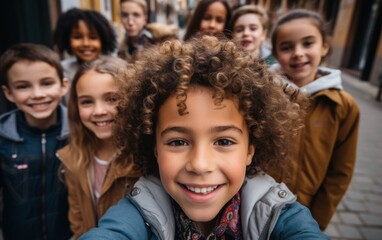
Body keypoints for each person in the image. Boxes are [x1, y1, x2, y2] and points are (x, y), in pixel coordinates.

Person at [79, 35, 329, 239]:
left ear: (250, 150)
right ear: (155, 147)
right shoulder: (138, 211)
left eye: (224, 141)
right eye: (178, 142)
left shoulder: (278, 215)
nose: (200, 164)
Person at [270, 9, 360, 230]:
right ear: (275, 52)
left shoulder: (342, 106)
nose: (298, 53)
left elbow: (340, 171)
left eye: (307, 43)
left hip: (306, 212)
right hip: (258, 207)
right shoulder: (264, 95)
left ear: (325, 46)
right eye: (287, 47)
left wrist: (316, 220)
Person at [56, 56, 141, 238]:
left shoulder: (143, 159)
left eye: (111, 99)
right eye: (87, 101)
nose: (99, 111)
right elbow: (77, 221)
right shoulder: (73, 158)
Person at [0, 43, 72, 239]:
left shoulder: (79, 132)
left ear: (63, 85)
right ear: (8, 93)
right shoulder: (3, 137)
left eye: (47, 83)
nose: (38, 94)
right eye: (23, 86)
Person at [53, 8, 117, 82]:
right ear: (66, 39)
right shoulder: (61, 71)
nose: (85, 43)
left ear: (103, 40)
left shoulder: (115, 69)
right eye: (77, 37)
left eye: (93, 37)